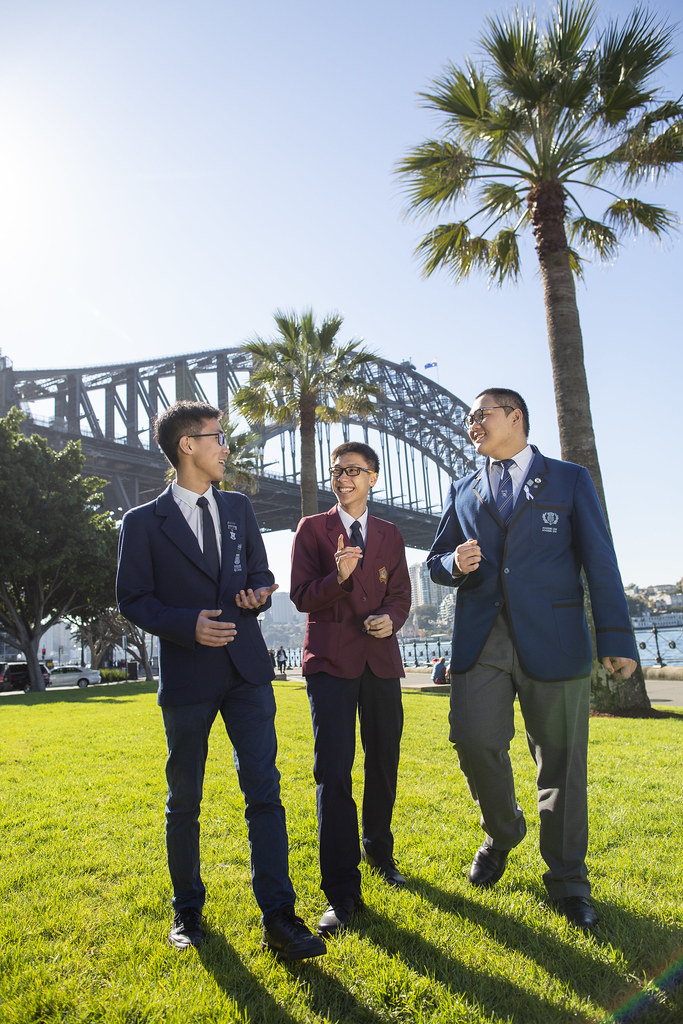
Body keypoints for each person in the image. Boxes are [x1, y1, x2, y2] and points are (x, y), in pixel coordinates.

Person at [116, 400, 325, 961]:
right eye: (217, 437)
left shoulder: (237, 509)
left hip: (247, 672)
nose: (225, 447)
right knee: (184, 800)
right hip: (188, 675)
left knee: (265, 792)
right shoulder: (140, 524)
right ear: (188, 445)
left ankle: (279, 914)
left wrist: (257, 594)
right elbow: (132, 599)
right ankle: (187, 911)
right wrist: (187, 626)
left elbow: (261, 573)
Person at [428, 388, 637, 933]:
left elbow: (600, 557)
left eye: (482, 415)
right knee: (472, 739)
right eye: (471, 418)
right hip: (482, 640)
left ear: (514, 417)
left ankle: (568, 880)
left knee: (562, 765)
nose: (472, 424)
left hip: (555, 638)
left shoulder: (569, 479)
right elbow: (434, 561)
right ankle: (503, 830)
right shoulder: (463, 488)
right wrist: (454, 560)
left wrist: (617, 637)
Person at [290, 441, 411, 937]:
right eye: (338, 471)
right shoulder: (312, 529)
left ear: (374, 478)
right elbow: (300, 597)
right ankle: (341, 891)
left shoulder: (390, 533)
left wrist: (391, 619)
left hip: (380, 662)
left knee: (383, 760)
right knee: (333, 771)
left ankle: (379, 852)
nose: (343, 479)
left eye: (354, 471)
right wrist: (338, 578)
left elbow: (400, 593)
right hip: (331, 663)